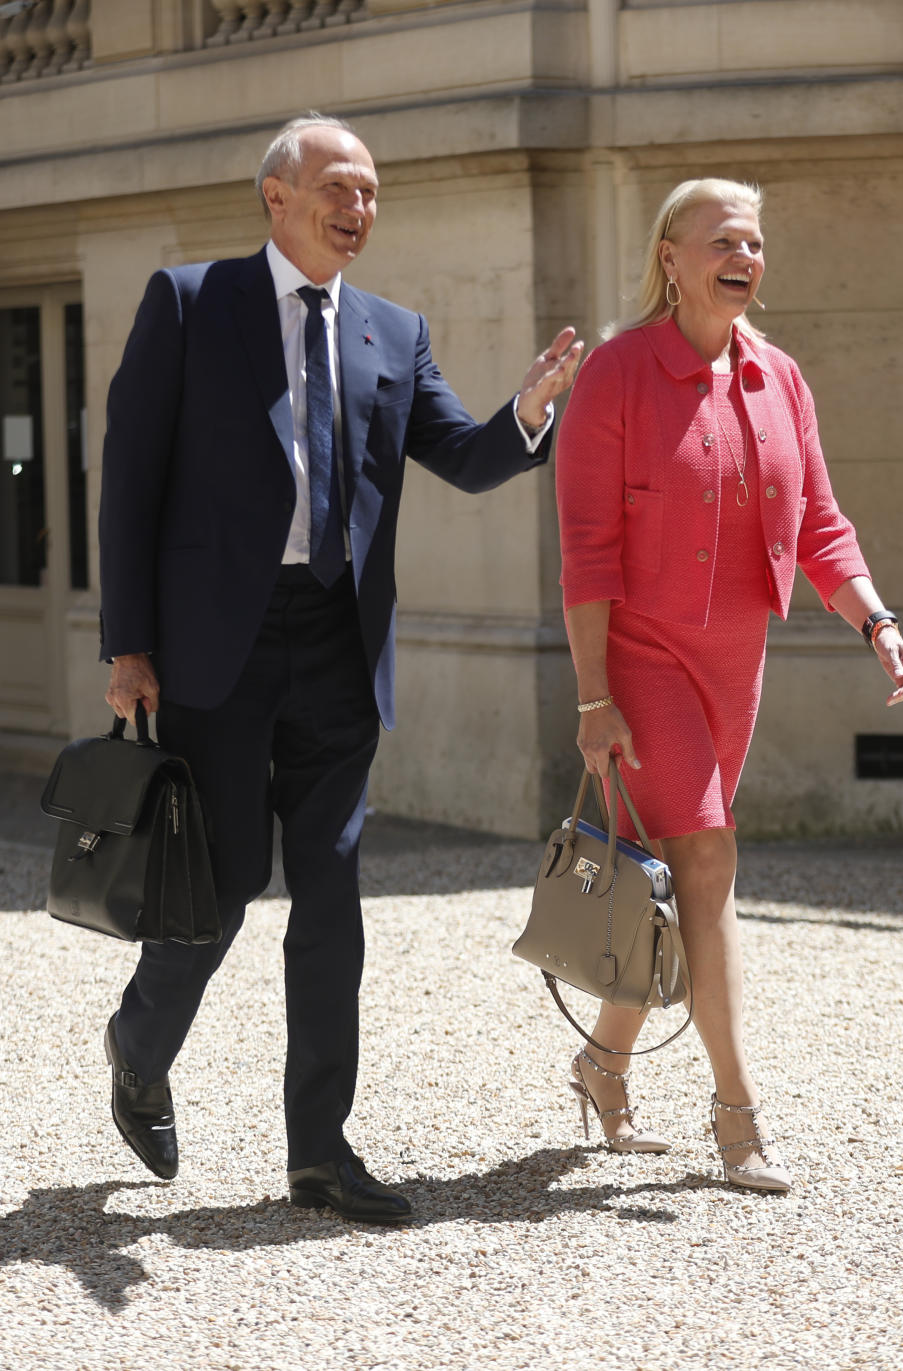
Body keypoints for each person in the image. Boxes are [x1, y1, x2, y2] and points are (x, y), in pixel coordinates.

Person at [98, 112, 582, 1223]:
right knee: (217, 891)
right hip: (215, 644)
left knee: (332, 901)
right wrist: (129, 643)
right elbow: (129, 479)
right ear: (277, 196)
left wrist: (528, 414)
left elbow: (460, 455)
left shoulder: (389, 330)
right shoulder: (189, 303)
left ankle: (318, 1150)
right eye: (339, 188)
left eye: (371, 191)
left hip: (337, 643)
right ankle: (137, 1044)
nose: (358, 207)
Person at [555, 177, 903, 1193]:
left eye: (755, 242)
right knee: (708, 860)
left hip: (734, 664)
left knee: (679, 881)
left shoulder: (782, 378)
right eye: (724, 240)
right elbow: (586, 552)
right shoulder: (619, 375)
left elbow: (820, 527)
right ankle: (735, 1118)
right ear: (670, 256)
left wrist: (876, 621)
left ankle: (603, 1061)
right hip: (644, 659)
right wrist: (594, 698)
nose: (745, 257)